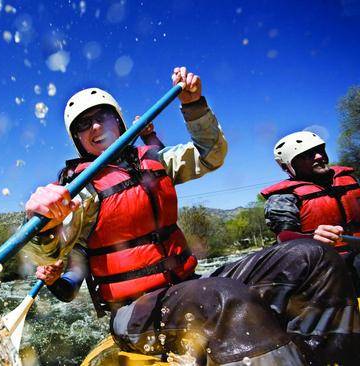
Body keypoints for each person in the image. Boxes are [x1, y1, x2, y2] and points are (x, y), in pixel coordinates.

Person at [24, 67, 311, 365]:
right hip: (134, 312)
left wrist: (193, 105)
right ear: (78, 140)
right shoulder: (81, 190)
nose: (96, 127)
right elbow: (50, 250)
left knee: (308, 257)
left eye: (103, 117)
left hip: (188, 284)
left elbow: (210, 154)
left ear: (119, 122)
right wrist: (42, 221)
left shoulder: (155, 160)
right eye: (84, 125)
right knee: (222, 297)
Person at [259, 131, 360, 290]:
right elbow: (284, 237)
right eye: (308, 155)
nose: (319, 156)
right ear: (289, 166)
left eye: (320, 150)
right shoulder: (283, 197)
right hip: (323, 269)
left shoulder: (352, 180)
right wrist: (312, 239)